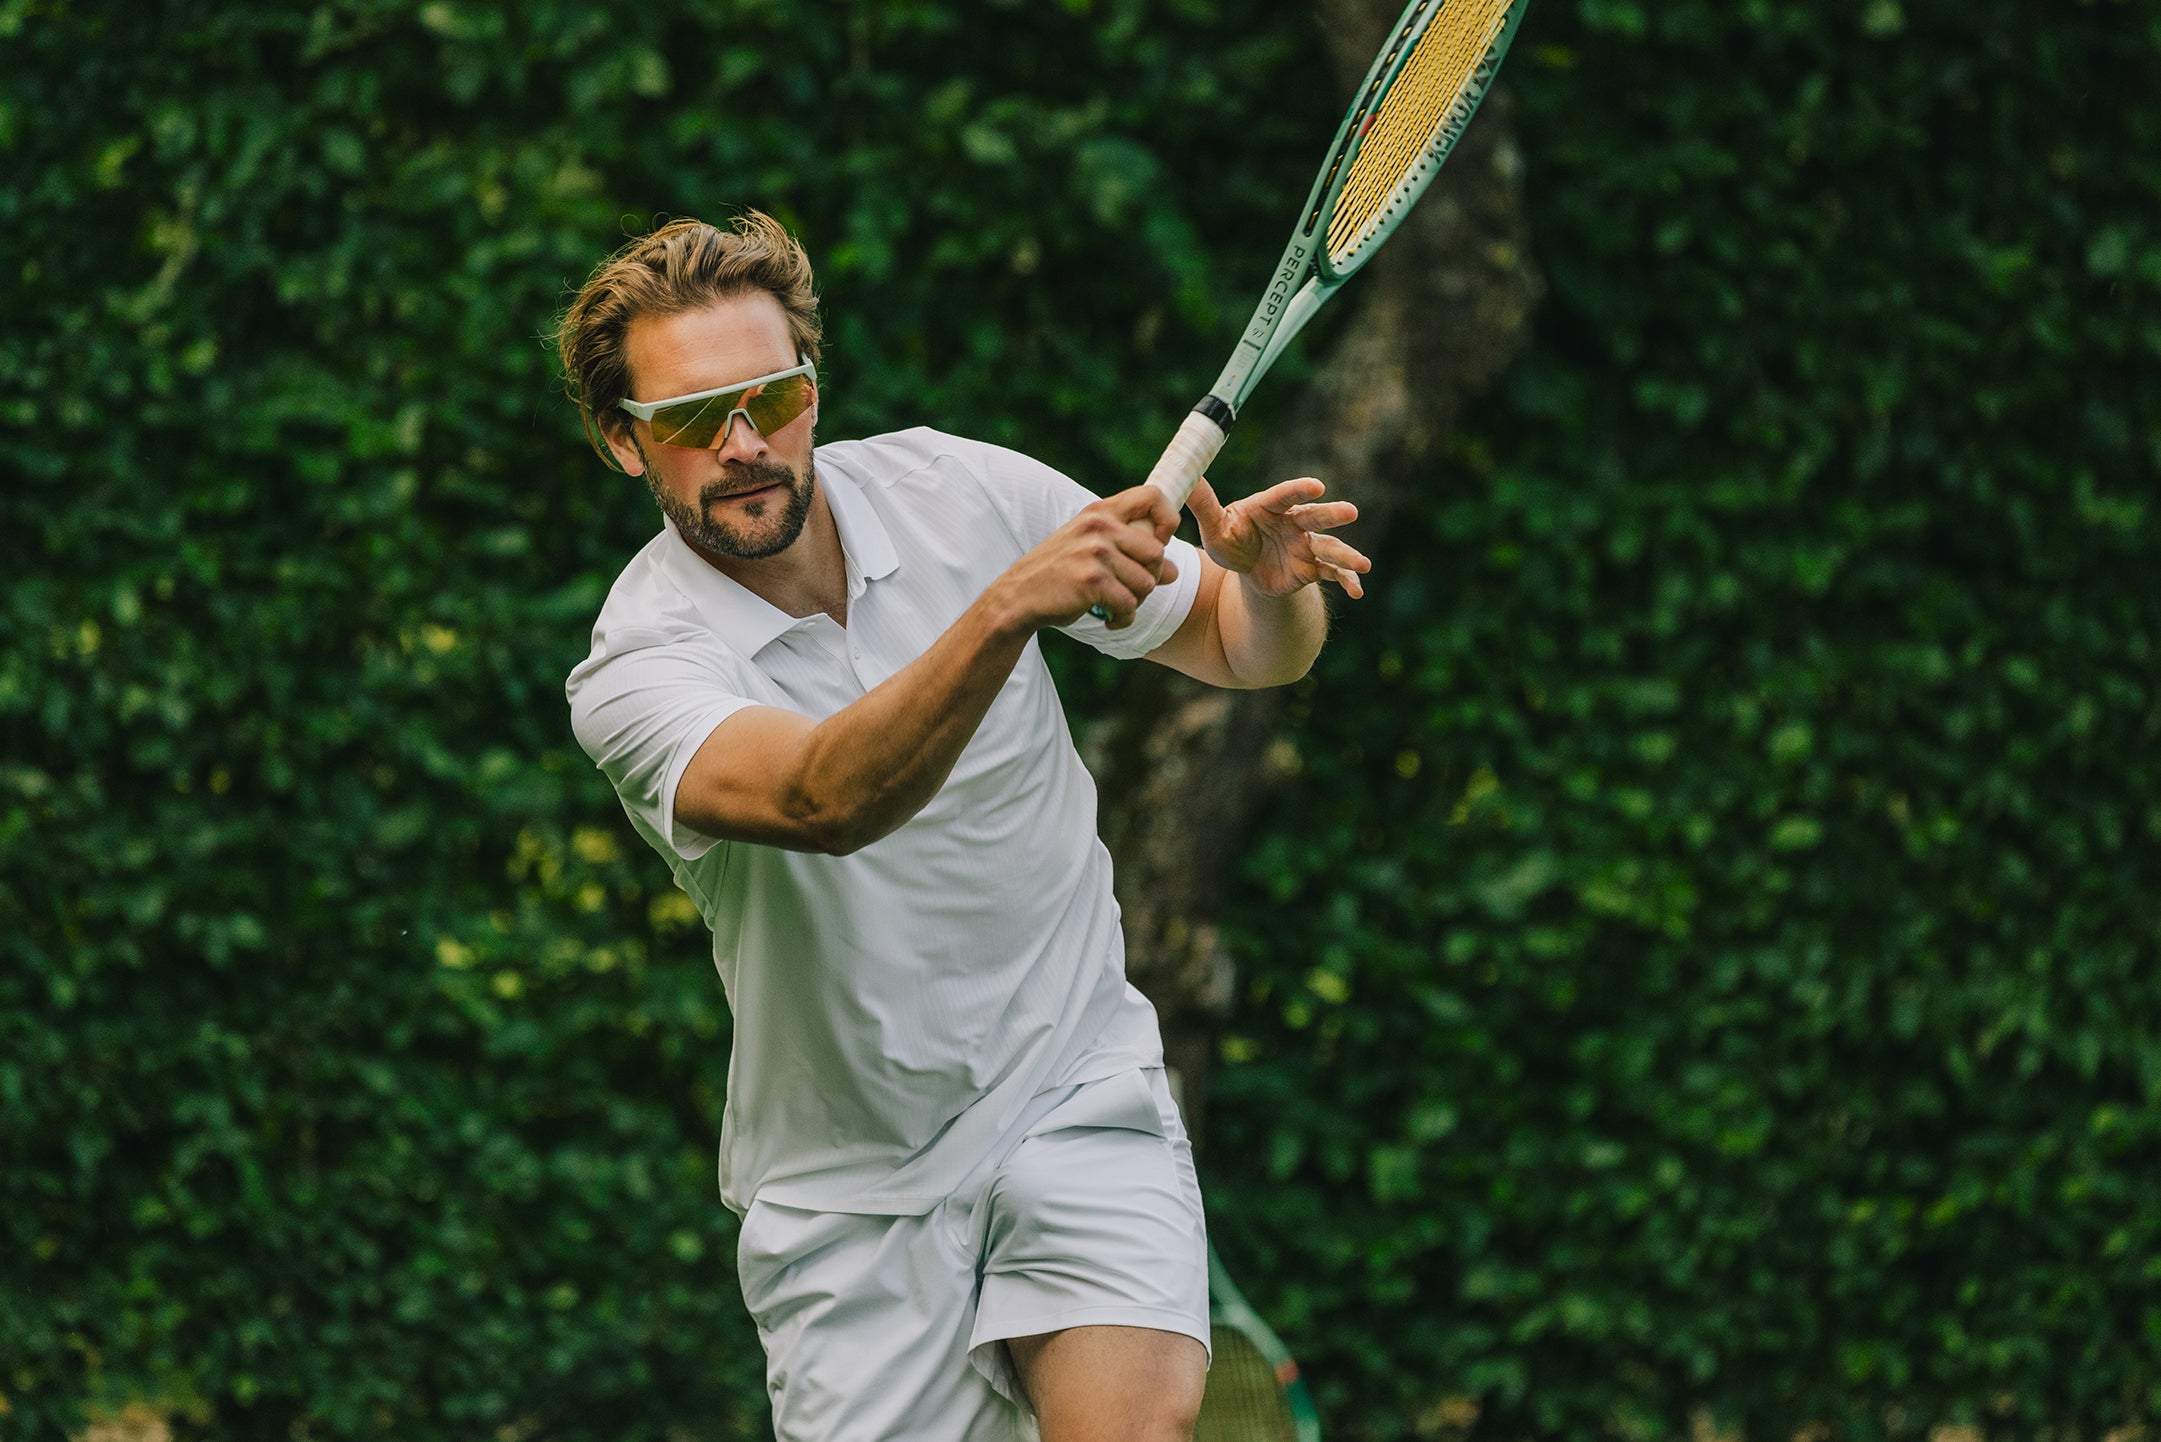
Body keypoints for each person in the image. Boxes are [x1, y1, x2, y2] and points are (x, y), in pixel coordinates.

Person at [557, 212, 1370, 1442]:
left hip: (1070, 1085)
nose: (744, 444)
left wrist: (1270, 593)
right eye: (690, 418)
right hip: (849, 1203)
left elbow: (1238, 643)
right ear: (624, 441)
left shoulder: (962, 488)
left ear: (812, 388)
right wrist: (1003, 611)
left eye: (772, 398)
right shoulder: (636, 666)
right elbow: (822, 799)